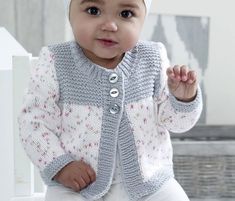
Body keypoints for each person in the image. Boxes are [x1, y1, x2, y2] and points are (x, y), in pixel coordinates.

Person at [18, 0, 203, 200]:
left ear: (143, 19)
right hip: (78, 185)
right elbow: (33, 123)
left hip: (149, 182)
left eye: (125, 14)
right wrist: (61, 165)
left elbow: (176, 124)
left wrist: (183, 99)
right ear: (69, 12)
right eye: (93, 10)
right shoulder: (55, 62)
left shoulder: (152, 59)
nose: (110, 26)